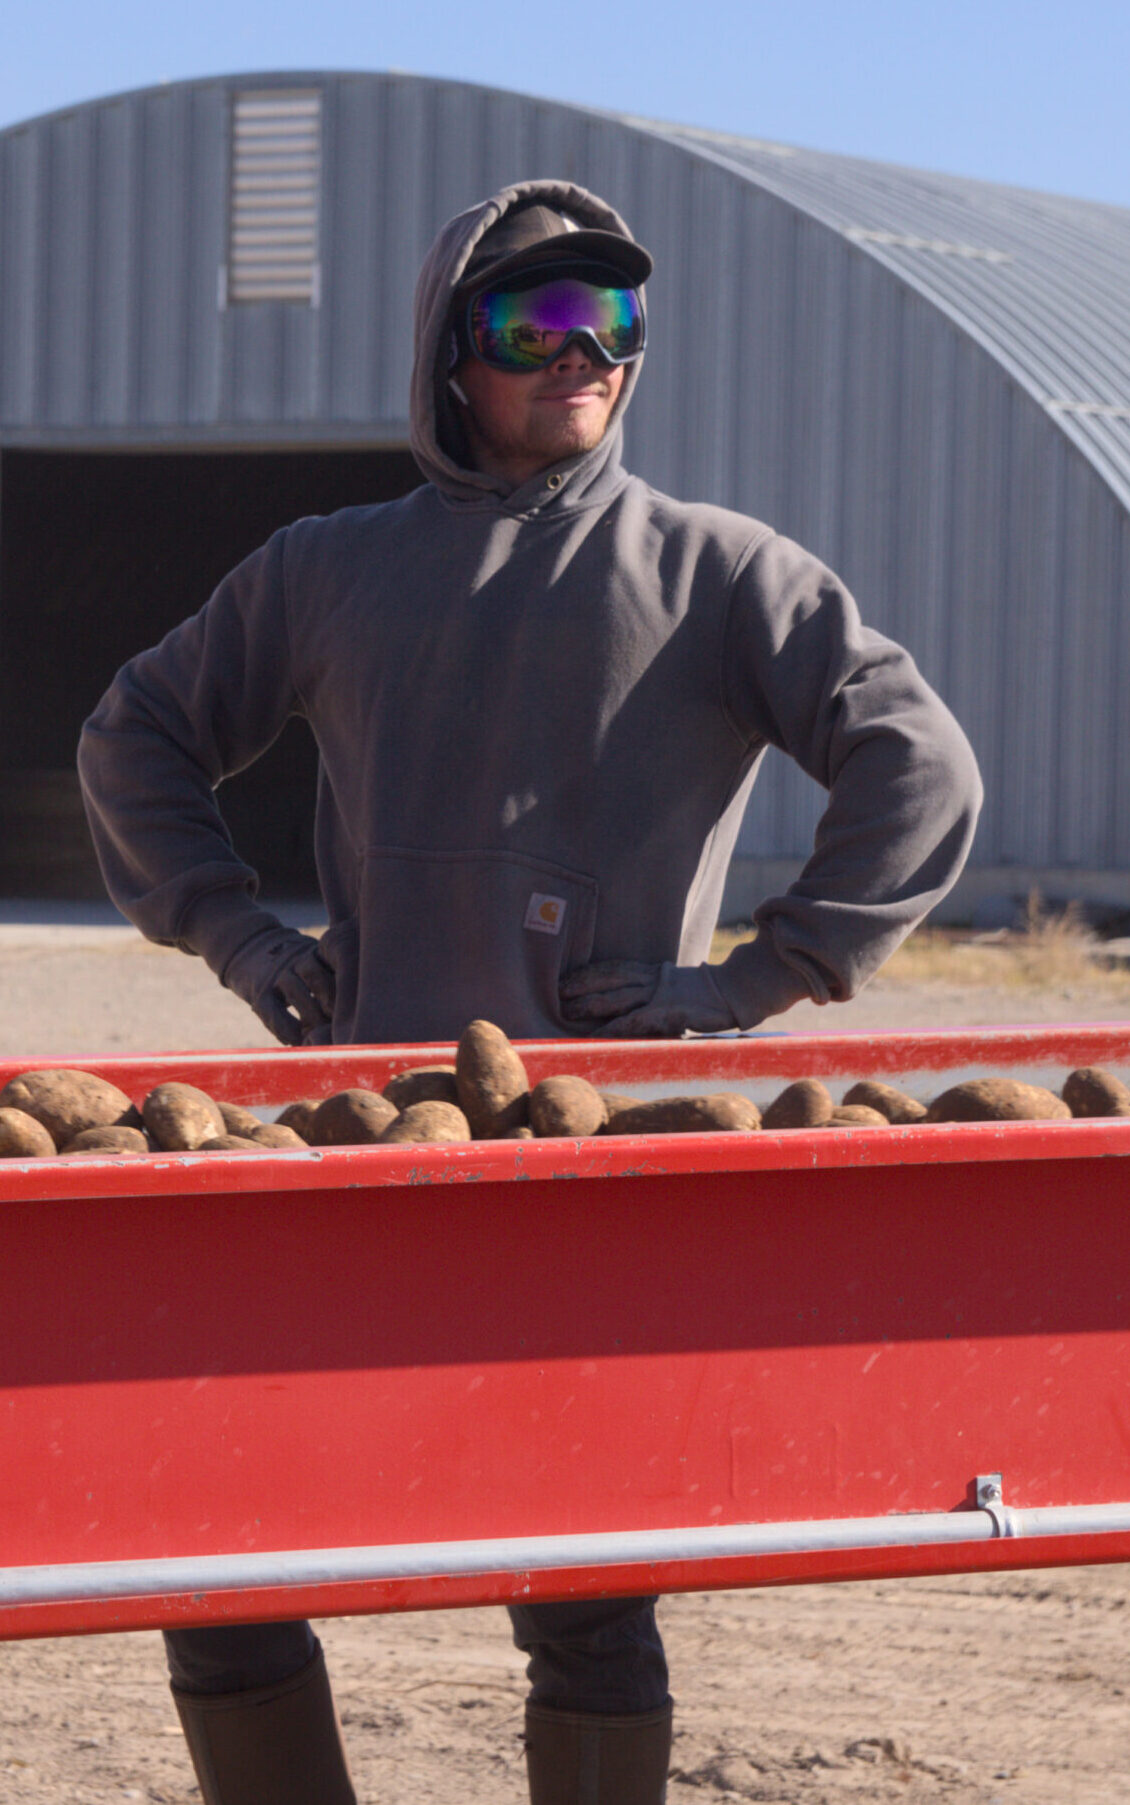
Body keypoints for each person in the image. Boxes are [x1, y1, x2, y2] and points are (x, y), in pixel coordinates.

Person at [78, 179, 982, 1805]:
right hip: (353, 1148)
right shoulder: (328, 568)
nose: (579, 353)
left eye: (609, 323)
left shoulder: (714, 572)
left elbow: (915, 762)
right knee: (223, 1567)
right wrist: (241, 936)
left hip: (584, 1169)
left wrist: (749, 980)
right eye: (531, 322)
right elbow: (135, 732)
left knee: (583, 1595)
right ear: (450, 356)